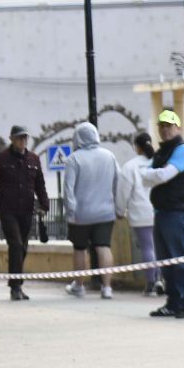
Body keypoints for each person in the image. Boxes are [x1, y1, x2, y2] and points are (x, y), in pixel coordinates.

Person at [141, 109, 184, 319]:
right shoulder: (161, 152)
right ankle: (173, 302)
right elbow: (144, 176)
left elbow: (164, 175)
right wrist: (153, 174)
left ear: (178, 127)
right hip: (161, 212)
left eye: (169, 125)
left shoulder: (183, 150)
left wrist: (153, 174)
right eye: (161, 126)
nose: (165, 129)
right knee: (165, 261)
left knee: (181, 259)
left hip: (176, 213)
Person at [0, 125, 49, 301]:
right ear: (12, 139)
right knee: (16, 245)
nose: (22, 141)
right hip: (7, 209)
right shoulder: (1, 159)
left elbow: (40, 184)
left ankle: (16, 284)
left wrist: (44, 205)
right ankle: (16, 287)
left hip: (27, 210)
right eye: (19, 138)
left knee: (23, 247)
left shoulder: (34, 159)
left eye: (24, 138)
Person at [62, 122, 123, 299]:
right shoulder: (109, 156)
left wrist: (71, 212)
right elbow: (118, 182)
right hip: (105, 213)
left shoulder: (74, 159)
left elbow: (68, 190)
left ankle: (79, 286)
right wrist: (118, 207)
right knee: (104, 247)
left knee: (80, 249)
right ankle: (107, 288)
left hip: (81, 215)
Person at [117, 132, 161, 296]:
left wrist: (120, 211)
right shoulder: (158, 162)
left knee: (147, 248)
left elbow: (123, 192)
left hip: (140, 213)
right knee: (160, 248)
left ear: (136, 147)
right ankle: (161, 280)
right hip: (159, 210)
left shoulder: (130, 166)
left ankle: (151, 283)